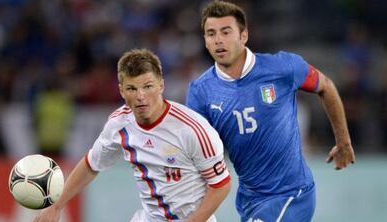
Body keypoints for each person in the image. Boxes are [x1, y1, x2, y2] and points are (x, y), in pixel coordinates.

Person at [186, 1, 355, 222]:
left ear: (243, 36)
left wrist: (343, 142)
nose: (218, 40)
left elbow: (326, 86)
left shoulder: (282, 67)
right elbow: (197, 154)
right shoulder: (200, 92)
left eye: (226, 32)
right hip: (249, 200)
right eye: (211, 34)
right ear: (205, 41)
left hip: (293, 193)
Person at [34, 48, 231, 222]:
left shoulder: (192, 129)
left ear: (161, 85)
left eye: (147, 86)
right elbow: (91, 164)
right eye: (132, 88)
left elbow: (221, 185)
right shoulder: (119, 125)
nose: (140, 96)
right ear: (121, 91)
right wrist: (57, 205)